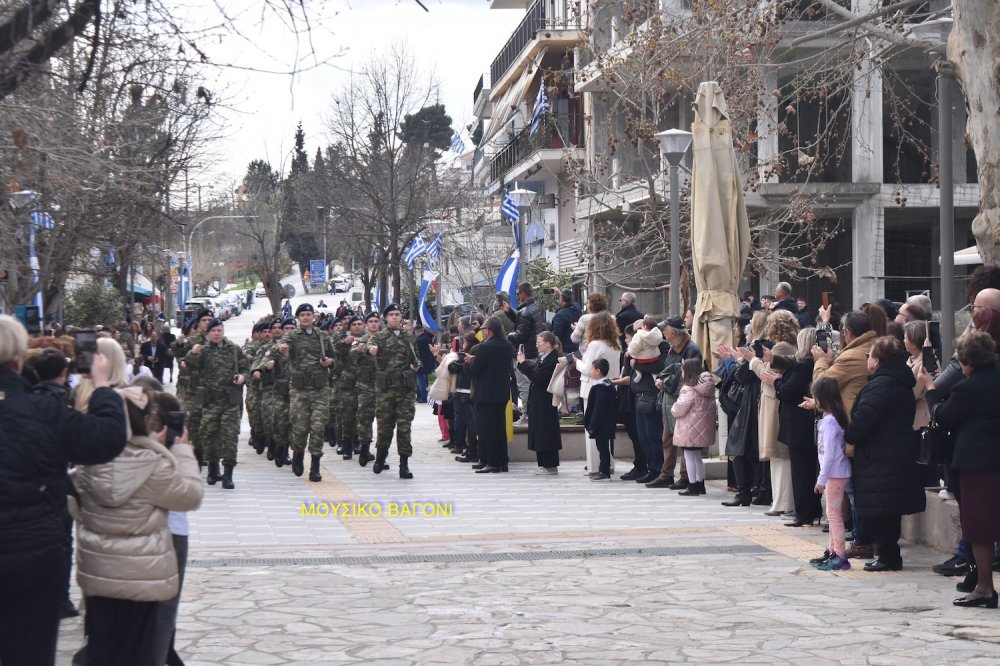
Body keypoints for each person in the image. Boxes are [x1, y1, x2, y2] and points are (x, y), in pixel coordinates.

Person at [0, 315, 129, 666]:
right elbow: (105, 439)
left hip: (33, 545)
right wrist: (101, 386)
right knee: (27, 649)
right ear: (17, 359)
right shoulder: (42, 410)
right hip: (33, 551)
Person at [71, 384, 202, 666]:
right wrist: (181, 453)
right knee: (140, 648)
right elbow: (190, 496)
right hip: (143, 574)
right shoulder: (153, 463)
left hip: (98, 572)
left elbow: (74, 504)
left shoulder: (89, 461)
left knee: (101, 644)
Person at [924, 330, 1000, 608]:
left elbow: (943, 417)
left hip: (977, 464)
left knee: (979, 527)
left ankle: (984, 588)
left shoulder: (968, 387)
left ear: (968, 361)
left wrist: (930, 391)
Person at [843, 335, 924, 572]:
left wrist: (851, 433)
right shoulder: (899, 381)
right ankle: (888, 554)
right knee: (889, 510)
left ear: (877, 360)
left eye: (869, 356)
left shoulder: (881, 385)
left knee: (882, 510)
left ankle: (888, 556)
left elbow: (864, 421)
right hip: (894, 453)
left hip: (880, 456)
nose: (868, 360)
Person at [183, 319, 248, 489]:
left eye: (219, 330)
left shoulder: (233, 349)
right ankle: (213, 468)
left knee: (230, 436)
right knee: (209, 435)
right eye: (213, 331)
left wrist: (242, 377)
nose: (217, 333)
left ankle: (228, 475)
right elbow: (187, 364)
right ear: (208, 333)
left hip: (230, 402)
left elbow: (245, 368)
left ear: (223, 331)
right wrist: (193, 353)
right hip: (210, 402)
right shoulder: (203, 351)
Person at [770, 325, 821, 526]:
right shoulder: (809, 364)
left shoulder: (804, 366)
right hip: (804, 423)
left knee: (802, 471)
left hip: (799, 424)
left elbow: (789, 391)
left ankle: (805, 512)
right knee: (807, 469)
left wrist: (776, 382)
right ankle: (809, 510)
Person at [279, 303, 333, 481]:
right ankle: (298, 454)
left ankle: (315, 467)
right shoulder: (292, 336)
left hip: (320, 389)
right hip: (300, 390)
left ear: (314, 317)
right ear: (298, 318)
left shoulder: (322, 336)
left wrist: (330, 362)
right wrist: (283, 350)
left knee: (318, 427)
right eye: (302, 315)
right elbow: (280, 349)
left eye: (309, 314)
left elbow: (336, 359)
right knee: (300, 427)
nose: (306, 317)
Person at [366, 303, 421, 478]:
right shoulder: (379, 337)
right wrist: (371, 351)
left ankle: (404, 464)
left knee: (404, 428)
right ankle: (381, 456)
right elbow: (370, 348)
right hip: (386, 392)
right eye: (391, 315)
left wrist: (416, 366)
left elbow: (417, 359)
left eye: (397, 314)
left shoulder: (409, 337)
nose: (395, 317)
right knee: (385, 428)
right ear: (386, 318)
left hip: (405, 391)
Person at [563, 311, 621, 474]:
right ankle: (608, 464)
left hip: (592, 388)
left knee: (593, 429)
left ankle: (596, 466)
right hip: (611, 386)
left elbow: (589, 369)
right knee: (607, 431)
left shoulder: (595, 344)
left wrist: (577, 362)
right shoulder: (615, 344)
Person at [648, 315, 702, 489]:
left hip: (682, 399)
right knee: (668, 438)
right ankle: (667, 474)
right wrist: (661, 380)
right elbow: (667, 369)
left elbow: (685, 376)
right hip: (669, 399)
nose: (664, 333)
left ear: (673, 332)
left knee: (684, 440)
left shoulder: (691, 349)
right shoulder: (674, 348)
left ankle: (686, 477)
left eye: (665, 330)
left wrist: (664, 382)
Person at [808, 376, 853, 571]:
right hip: (836, 473)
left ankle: (840, 555)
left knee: (833, 515)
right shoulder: (834, 419)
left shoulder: (829, 423)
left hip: (835, 473)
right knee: (832, 513)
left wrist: (821, 479)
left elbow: (830, 455)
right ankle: (832, 551)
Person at [516, 331, 563, 475]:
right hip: (537, 399)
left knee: (545, 432)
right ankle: (543, 463)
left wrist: (524, 364)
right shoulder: (543, 358)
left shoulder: (552, 360)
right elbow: (534, 372)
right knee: (539, 431)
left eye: (539, 342)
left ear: (548, 343)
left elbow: (538, 378)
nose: (537, 345)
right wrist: (522, 364)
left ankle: (550, 465)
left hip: (545, 400)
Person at [671, 358, 717, 496]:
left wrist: (673, 408)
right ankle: (700, 484)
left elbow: (679, 408)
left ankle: (692, 485)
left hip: (689, 430)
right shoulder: (707, 388)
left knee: (689, 456)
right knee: (697, 456)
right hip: (702, 430)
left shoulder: (688, 389)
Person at [505, 282, 547, 416]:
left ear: (523, 293)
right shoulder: (537, 307)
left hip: (524, 353)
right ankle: (533, 412)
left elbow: (520, 334)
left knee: (524, 385)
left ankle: (527, 415)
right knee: (532, 383)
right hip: (535, 352)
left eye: (518, 293)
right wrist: (510, 312)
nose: (517, 296)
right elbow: (522, 321)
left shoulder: (526, 312)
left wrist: (509, 335)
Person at [584, 357, 618, 480]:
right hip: (605, 423)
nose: (591, 371)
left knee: (603, 448)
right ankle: (603, 469)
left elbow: (598, 409)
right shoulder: (606, 385)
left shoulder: (602, 388)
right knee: (602, 447)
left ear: (598, 371)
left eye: (592, 369)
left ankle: (604, 471)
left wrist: (592, 426)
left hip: (602, 424)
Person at [627, 315, 663, 382]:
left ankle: (639, 375)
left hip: (648, 387)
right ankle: (656, 379)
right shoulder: (656, 336)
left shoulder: (639, 336)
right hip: (654, 357)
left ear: (645, 326)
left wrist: (630, 351)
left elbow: (635, 347)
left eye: (638, 329)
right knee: (655, 376)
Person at [551, 289, 582, 354]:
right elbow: (573, 302)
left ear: (562, 299)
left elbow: (556, 334)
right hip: (577, 347)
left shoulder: (560, 315)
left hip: (565, 349)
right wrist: (560, 294)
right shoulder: (577, 308)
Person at [414, 324, 436, 403]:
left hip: (421, 363)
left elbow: (416, 353)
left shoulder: (419, 340)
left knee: (421, 382)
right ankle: (421, 396)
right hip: (427, 362)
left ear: (416, 331)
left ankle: (422, 397)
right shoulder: (427, 338)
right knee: (423, 381)